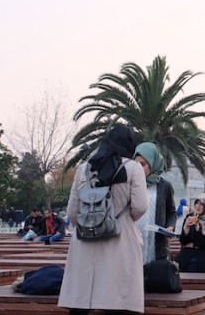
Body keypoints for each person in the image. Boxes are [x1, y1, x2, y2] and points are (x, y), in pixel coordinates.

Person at [58, 124, 149, 314]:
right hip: (119, 235)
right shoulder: (133, 168)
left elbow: (72, 212)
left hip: (85, 235)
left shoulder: (84, 168)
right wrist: (123, 218)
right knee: (116, 298)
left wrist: (89, 220)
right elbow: (140, 206)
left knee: (81, 298)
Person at [133, 142, 177, 264]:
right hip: (133, 242)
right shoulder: (130, 184)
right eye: (135, 165)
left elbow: (171, 213)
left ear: (153, 164)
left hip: (156, 245)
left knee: (153, 280)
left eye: (142, 164)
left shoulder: (165, 186)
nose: (138, 169)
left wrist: (170, 226)